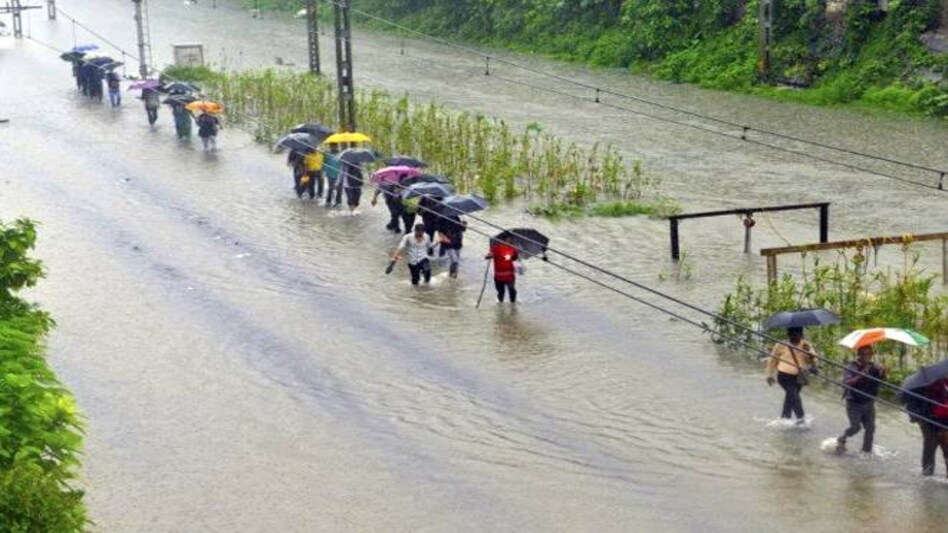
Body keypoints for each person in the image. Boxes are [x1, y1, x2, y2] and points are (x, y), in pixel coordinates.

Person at [835, 345, 887, 453]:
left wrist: (883, 372)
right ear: (858, 355)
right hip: (854, 402)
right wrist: (860, 376)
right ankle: (843, 437)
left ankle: (866, 451)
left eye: (868, 354)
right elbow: (845, 383)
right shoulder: (852, 366)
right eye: (863, 354)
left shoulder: (874, 367)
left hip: (868, 402)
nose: (866, 356)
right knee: (855, 427)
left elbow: (879, 381)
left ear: (872, 355)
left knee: (870, 428)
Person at [765, 327, 816, 424]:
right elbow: (772, 360)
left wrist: (808, 352)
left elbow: (811, 361)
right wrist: (769, 375)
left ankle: (784, 418)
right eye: (793, 334)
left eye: (798, 334)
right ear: (789, 334)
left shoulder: (806, 345)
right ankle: (801, 421)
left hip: (799, 377)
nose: (796, 336)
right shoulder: (781, 345)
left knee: (790, 398)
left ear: (801, 334)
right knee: (795, 398)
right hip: (784, 376)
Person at [905, 378, 948, 476]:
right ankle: (927, 475)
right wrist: (919, 420)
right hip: (929, 423)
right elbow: (912, 405)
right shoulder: (925, 387)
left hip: (945, 422)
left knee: (946, 449)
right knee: (930, 448)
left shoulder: (945, 384)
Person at [437, 213, 466, 279]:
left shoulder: (457, 217)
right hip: (448, 243)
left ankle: (453, 275)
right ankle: (452, 275)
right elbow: (439, 231)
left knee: (456, 261)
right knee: (455, 260)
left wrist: (464, 224)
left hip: (457, 242)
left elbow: (462, 229)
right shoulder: (441, 218)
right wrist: (444, 238)